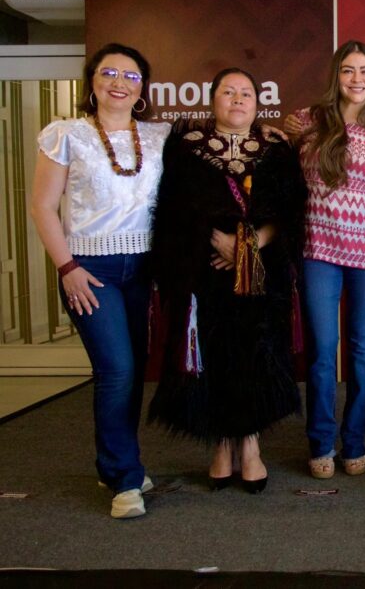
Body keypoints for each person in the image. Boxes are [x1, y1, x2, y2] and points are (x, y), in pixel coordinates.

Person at [148, 68, 306, 494]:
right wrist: (211, 243)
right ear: (213, 99)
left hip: (261, 271)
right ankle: (219, 441)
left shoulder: (275, 147)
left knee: (256, 350)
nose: (237, 99)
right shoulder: (187, 148)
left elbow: (291, 211)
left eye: (246, 93)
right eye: (228, 92)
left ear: (258, 102)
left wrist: (250, 245)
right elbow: (170, 212)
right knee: (214, 353)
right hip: (204, 275)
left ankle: (251, 443)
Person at [30, 43, 170, 518]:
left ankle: (117, 465)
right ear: (92, 81)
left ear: (142, 89)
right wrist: (67, 268)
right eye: (108, 72)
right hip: (91, 271)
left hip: (143, 268)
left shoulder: (157, 137)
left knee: (133, 372)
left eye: (130, 76)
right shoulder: (66, 134)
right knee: (116, 370)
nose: (118, 82)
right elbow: (42, 206)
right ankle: (126, 481)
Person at [293, 41, 365, 480]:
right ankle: (321, 442)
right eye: (348, 70)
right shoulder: (306, 122)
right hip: (319, 248)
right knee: (322, 351)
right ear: (336, 75)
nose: (357, 79)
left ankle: (354, 440)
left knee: (362, 348)